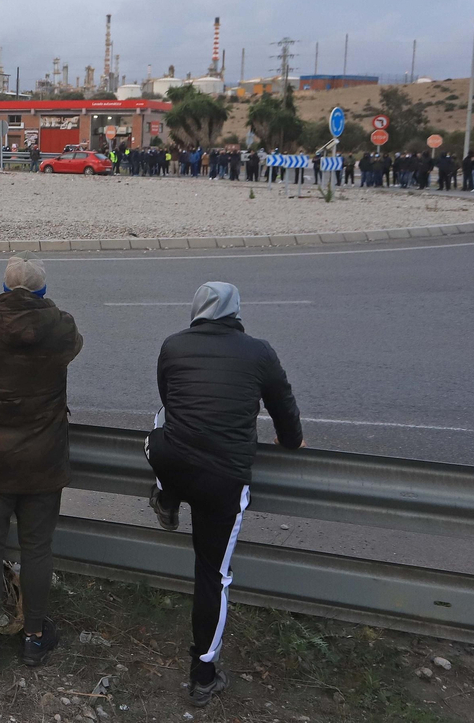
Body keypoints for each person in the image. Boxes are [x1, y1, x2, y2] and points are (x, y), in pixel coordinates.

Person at [146, 282, 303, 708]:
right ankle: (203, 676)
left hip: (174, 460)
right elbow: (283, 407)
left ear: (196, 310)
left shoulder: (172, 345)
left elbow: (169, 400)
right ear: (236, 312)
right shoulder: (260, 351)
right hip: (224, 481)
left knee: (160, 428)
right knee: (212, 576)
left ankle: (166, 496)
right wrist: (290, 442)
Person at [0, 255, 83, 670]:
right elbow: (75, 346)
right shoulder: (61, 326)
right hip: (43, 458)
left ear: (6, 289)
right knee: (38, 548)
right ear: (43, 291)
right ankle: (34, 637)